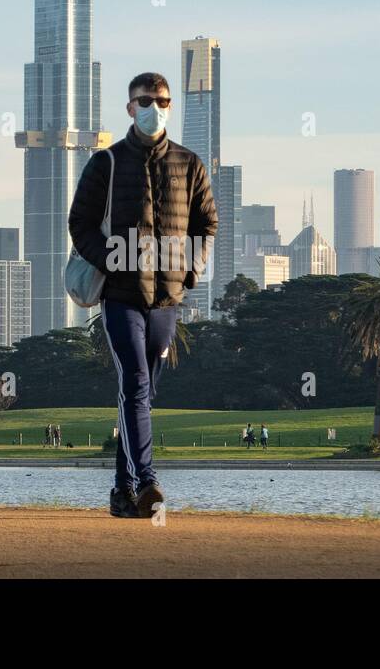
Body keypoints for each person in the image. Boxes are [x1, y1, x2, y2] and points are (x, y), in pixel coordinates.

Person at [69, 71, 217, 519]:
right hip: (120, 296)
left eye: (163, 100)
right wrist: (109, 260)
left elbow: (206, 224)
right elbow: (80, 223)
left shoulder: (190, 164)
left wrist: (189, 272)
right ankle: (148, 481)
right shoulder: (106, 163)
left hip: (167, 300)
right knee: (133, 383)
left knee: (143, 393)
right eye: (146, 100)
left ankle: (121, 492)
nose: (156, 107)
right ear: (130, 107)